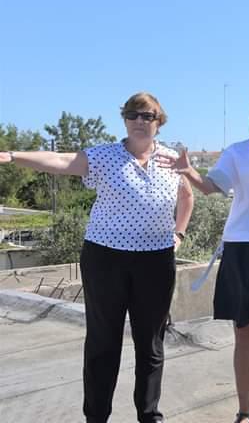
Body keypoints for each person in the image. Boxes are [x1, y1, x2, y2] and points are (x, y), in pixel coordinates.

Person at [0, 92, 194, 422]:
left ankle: (150, 415)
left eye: (147, 115)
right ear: (124, 120)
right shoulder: (104, 156)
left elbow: (187, 196)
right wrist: (12, 156)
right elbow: (59, 161)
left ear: (159, 122)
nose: (139, 121)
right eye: (132, 114)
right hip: (106, 259)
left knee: (151, 344)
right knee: (104, 342)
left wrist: (179, 233)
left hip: (156, 261)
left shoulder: (172, 159)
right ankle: (97, 417)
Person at [158, 84, 249, 423]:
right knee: (245, 331)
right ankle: (244, 410)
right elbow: (212, 186)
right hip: (242, 249)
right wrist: (188, 171)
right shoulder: (238, 152)